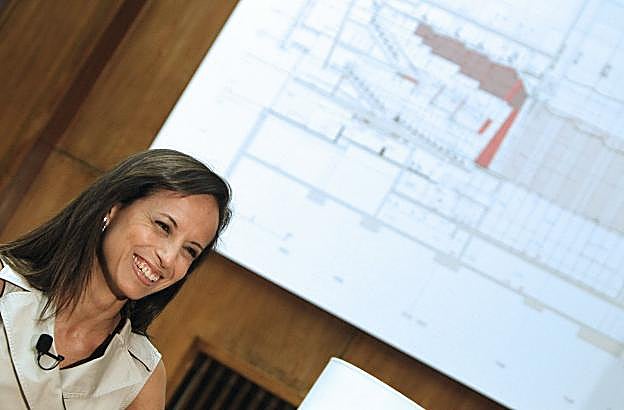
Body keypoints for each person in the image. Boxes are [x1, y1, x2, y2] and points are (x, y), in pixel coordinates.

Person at [0, 149, 232, 409]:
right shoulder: (4, 286)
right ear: (113, 208)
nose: (168, 258)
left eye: (189, 251)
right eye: (163, 226)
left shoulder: (142, 379)